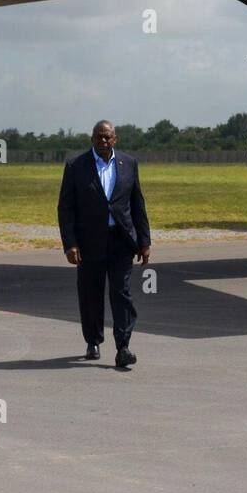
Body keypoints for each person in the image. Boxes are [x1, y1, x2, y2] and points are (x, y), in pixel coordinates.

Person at [57, 121, 151, 369]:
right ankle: (93, 340)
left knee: (121, 292)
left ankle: (123, 347)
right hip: (89, 242)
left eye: (108, 137)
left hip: (121, 240)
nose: (103, 141)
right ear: (92, 139)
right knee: (91, 294)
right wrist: (70, 244)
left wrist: (144, 242)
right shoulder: (76, 166)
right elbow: (65, 209)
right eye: (99, 137)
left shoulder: (128, 164)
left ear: (115, 139)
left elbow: (137, 204)